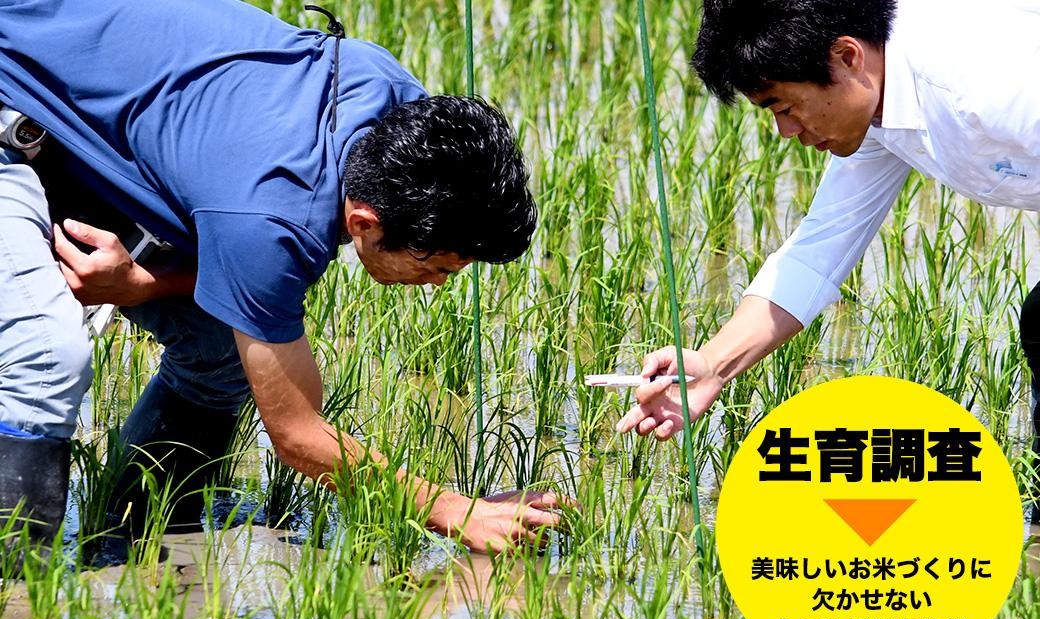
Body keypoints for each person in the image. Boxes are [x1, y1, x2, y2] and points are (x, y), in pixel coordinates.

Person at [0, 0, 565, 554]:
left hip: (72, 100)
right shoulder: (275, 215)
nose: (439, 283)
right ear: (364, 223)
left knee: (221, 345)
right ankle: (20, 594)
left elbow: (243, 254)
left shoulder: (394, 103)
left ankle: (128, 533)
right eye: (435, 265)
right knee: (47, 355)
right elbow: (298, 435)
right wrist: (456, 512)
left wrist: (146, 283)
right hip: (14, 94)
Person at [618, 0, 1040, 517]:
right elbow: (819, 251)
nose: (786, 131)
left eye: (784, 107)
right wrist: (712, 365)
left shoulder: (986, 80)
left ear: (847, 57)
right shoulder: (876, 102)